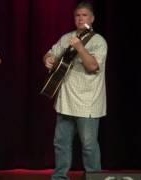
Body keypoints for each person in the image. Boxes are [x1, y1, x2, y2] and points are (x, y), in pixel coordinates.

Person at [42, 2, 107, 180]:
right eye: (77, 15)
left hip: (88, 102)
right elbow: (50, 54)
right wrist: (48, 59)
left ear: (92, 18)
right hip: (65, 102)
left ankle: (94, 177)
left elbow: (93, 66)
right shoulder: (67, 37)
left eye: (84, 15)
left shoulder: (98, 41)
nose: (80, 18)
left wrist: (79, 47)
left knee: (88, 145)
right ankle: (59, 177)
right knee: (61, 144)